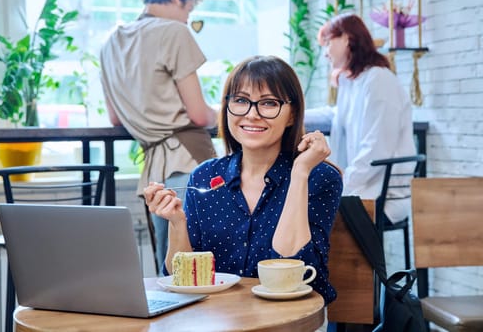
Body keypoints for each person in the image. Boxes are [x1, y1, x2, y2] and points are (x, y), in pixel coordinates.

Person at [144, 55, 343, 329]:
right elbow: (182, 278)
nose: (252, 113)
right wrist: (178, 223)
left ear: (293, 114)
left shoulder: (319, 177)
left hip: (292, 321)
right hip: (217, 321)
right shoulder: (205, 176)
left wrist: (299, 173)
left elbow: (290, 263)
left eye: (269, 103)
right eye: (240, 101)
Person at [99, 0, 218, 271]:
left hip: (155, 168)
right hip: (191, 159)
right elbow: (200, 115)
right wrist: (231, 117)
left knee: (169, 267)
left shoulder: (110, 43)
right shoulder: (173, 32)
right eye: (189, 8)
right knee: (203, 263)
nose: (188, 18)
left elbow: (115, 119)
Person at [305, 13, 416, 224]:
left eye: (328, 43)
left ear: (346, 39)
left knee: (313, 210)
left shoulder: (379, 79)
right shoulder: (353, 81)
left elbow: (376, 148)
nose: (326, 53)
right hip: (364, 183)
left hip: (383, 194)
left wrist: (341, 184)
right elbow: (335, 115)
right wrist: (292, 113)